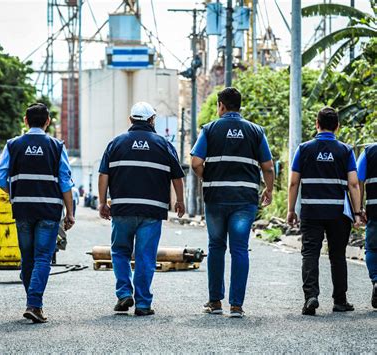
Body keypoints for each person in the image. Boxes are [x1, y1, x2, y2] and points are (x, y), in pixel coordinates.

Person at [191, 87, 275, 318]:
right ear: (239, 106)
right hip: (244, 200)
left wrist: (209, 176)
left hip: (216, 198)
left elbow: (196, 162)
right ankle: (236, 306)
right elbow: (268, 167)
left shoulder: (209, 129)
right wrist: (268, 189)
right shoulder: (256, 131)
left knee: (216, 246)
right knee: (239, 248)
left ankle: (215, 302)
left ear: (221, 105)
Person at [98, 102, 185, 316]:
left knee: (120, 251)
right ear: (152, 120)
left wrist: (102, 202)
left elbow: (103, 175)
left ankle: (124, 293)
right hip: (152, 211)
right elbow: (178, 176)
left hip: (123, 209)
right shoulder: (164, 145)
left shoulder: (115, 144)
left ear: (130, 120)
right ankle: (144, 304)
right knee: (146, 256)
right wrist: (180, 201)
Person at [0, 103, 75, 323]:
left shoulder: (12, 145)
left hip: (22, 210)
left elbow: (0, 179)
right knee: (42, 258)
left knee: (28, 258)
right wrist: (70, 212)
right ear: (48, 121)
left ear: (25, 120)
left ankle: (32, 302)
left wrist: (16, 193)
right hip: (48, 211)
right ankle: (34, 304)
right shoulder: (57, 146)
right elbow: (65, 182)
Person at [287, 107, 362, 316]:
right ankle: (340, 300)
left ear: (316, 124)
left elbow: (294, 183)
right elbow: (354, 184)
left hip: (311, 212)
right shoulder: (345, 151)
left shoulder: (303, 149)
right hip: (338, 213)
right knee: (337, 255)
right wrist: (357, 213)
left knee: (310, 253)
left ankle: (311, 297)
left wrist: (291, 210)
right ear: (337, 126)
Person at [357, 143, 377, 308]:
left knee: (372, 248)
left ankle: (376, 280)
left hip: (375, 209)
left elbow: (357, 180)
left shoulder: (369, 151)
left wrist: (359, 208)